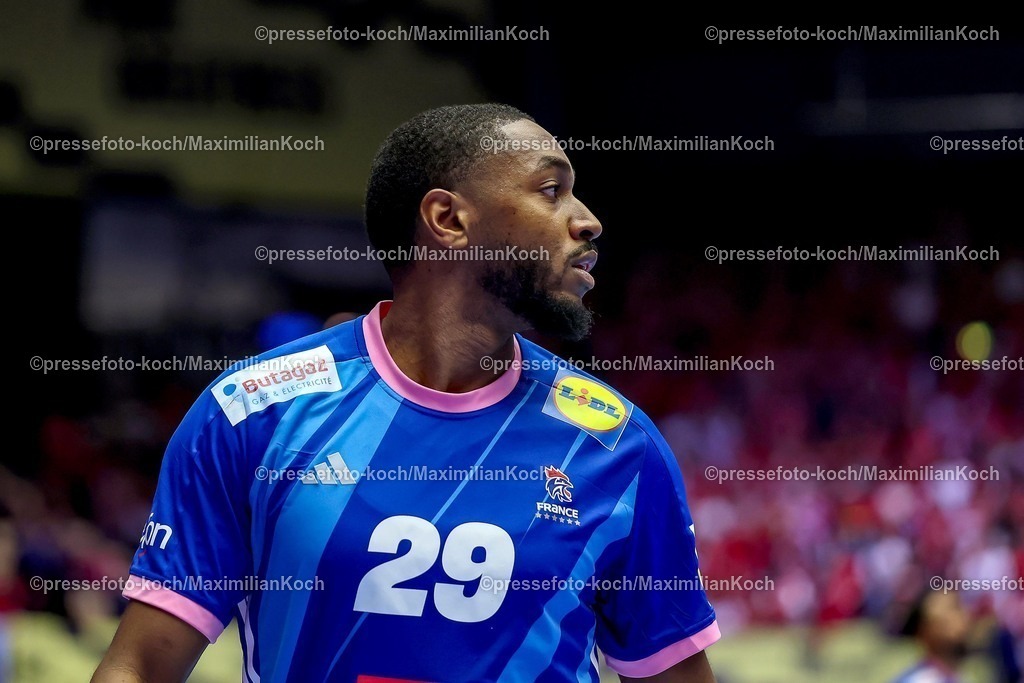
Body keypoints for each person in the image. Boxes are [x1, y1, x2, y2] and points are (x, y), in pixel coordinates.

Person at [92, 104, 719, 682]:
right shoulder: (255, 412)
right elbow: (141, 667)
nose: (587, 220)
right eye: (551, 190)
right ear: (448, 219)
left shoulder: (617, 445)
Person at [892, 590, 972, 683]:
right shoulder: (918, 680)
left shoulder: (958, 677)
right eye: (953, 608)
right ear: (923, 629)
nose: (964, 616)